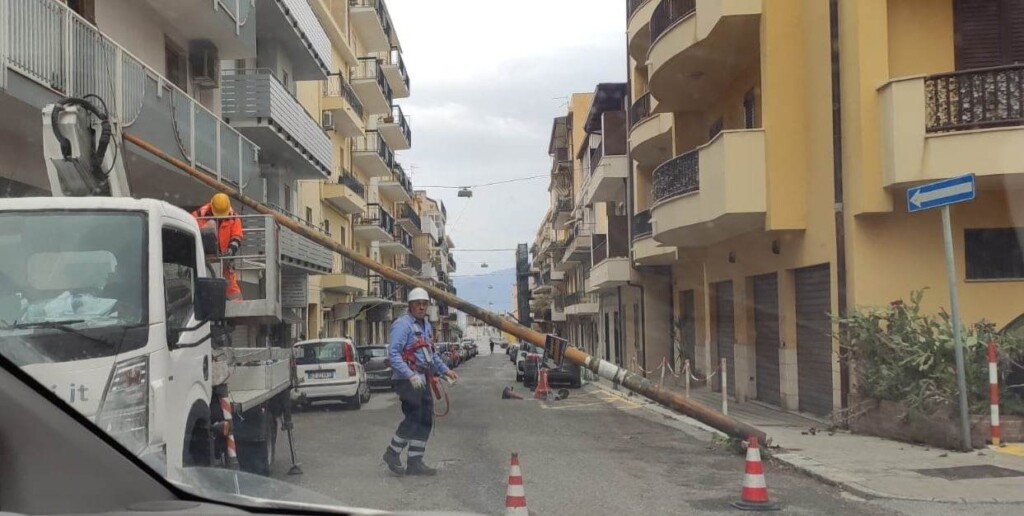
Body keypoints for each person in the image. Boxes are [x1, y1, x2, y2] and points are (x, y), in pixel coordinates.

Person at [383, 287, 458, 476]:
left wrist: (446, 370)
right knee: (414, 418)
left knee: (425, 420)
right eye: (418, 304)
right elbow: (393, 353)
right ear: (410, 305)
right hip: (407, 380)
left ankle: (415, 461)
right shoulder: (402, 325)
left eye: (425, 304)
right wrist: (410, 374)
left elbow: (431, 354)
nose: (422, 307)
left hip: (423, 379)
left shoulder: (425, 325)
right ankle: (392, 453)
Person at [191, 193, 243, 301]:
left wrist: (230, 250)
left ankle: (239, 312)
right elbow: (191, 235)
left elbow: (237, 236)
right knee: (205, 289)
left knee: (233, 293)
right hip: (204, 260)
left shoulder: (233, 217)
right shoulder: (198, 216)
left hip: (225, 262)